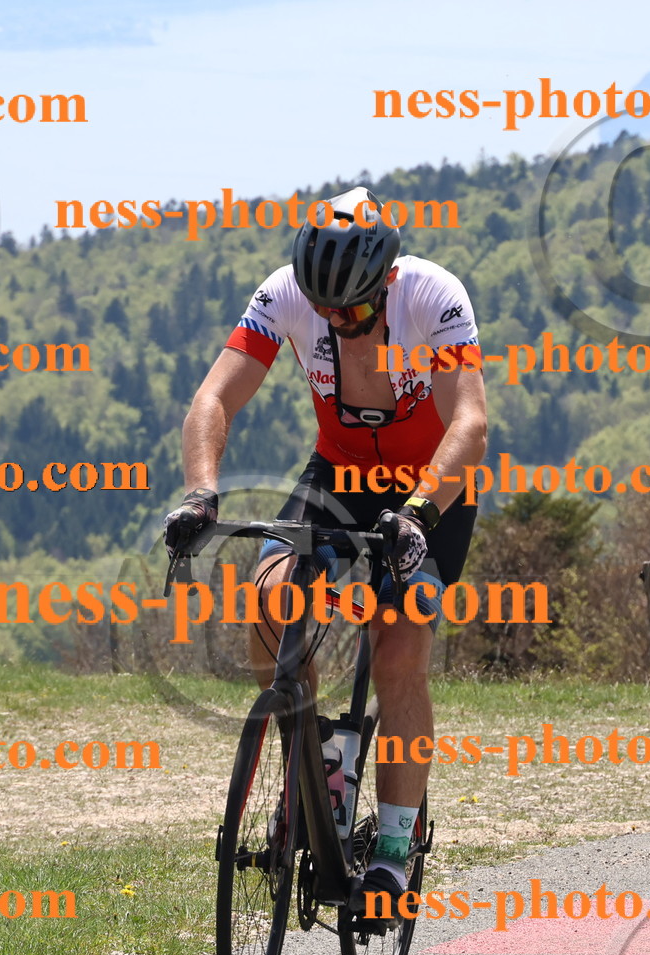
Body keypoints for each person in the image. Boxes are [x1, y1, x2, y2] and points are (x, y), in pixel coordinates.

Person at [164, 185, 488, 916]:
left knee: (399, 652)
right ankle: (315, 774)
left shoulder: (434, 298)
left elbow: (468, 421)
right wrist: (200, 492)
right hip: (337, 476)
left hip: (430, 488)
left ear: (386, 281)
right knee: (271, 595)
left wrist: (415, 512)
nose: (336, 321)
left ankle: (397, 850)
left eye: (353, 309)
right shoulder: (286, 295)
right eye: (325, 309)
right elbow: (214, 399)